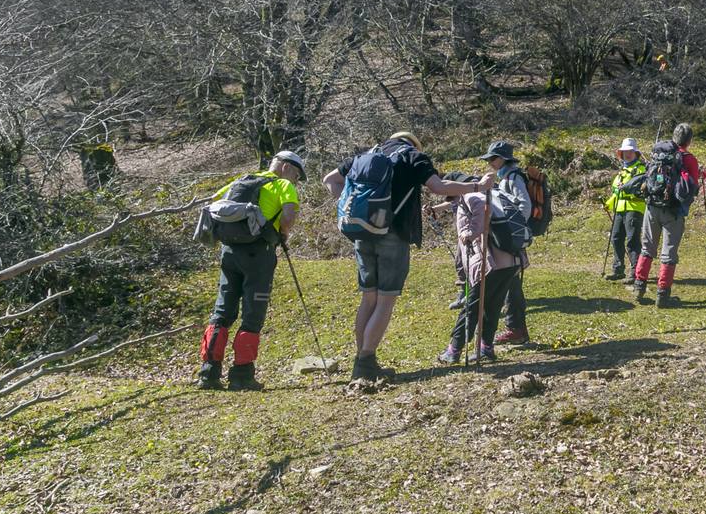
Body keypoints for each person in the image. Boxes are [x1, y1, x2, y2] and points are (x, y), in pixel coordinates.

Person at [324, 132, 495, 381]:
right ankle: (365, 361)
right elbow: (439, 187)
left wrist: (355, 206)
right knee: (385, 300)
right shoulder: (413, 157)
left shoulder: (367, 155)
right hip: (394, 235)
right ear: (413, 143)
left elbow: (330, 180)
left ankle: (360, 361)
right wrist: (478, 186)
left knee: (368, 298)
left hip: (361, 234)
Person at [197, 150, 304, 391]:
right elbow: (288, 216)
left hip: (229, 251)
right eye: (297, 174)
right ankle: (242, 375)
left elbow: (215, 201)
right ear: (286, 167)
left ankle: (208, 372)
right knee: (253, 313)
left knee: (222, 310)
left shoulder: (243, 179)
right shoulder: (283, 185)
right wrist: (282, 235)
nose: (296, 180)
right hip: (259, 253)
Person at [437, 185, 523, 364]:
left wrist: (470, 233)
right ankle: (486, 348)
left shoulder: (471, 197)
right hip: (510, 260)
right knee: (492, 305)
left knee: (472, 307)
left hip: (492, 263)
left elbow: (483, 210)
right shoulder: (483, 194)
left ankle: (454, 350)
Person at [632, 124, 702, 307]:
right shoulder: (688, 159)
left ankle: (639, 287)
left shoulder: (659, 154)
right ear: (689, 140)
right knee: (669, 253)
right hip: (673, 210)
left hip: (652, 206)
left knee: (647, 248)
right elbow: (692, 187)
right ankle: (663, 295)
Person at [481, 141, 536, 346]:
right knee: (511, 282)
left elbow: (525, 205)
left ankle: (516, 330)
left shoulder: (513, 177)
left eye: (492, 158)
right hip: (510, 237)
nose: (489, 162)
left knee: (512, 283)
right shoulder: (506, 176)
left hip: (512, 238)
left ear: (503, 158)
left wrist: (512, 229)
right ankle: (516, 329)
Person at [604, 138, 646, 281]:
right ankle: (618, 269)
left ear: (636, 153)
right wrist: (609, 203)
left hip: (634, 208)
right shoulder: (622, 171)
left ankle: (635, 272)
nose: (627, 154)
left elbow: (636, 188)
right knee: (616, 237)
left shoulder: (641, 169)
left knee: (632, 241)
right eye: (624, 152)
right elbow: (617, 193)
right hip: (620, 209)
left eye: (630, 151)